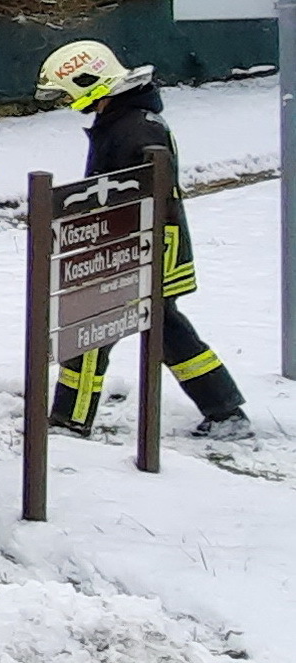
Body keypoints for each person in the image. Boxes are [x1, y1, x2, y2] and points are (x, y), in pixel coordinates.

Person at [35, 40, 250, 440]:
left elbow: (136, 194)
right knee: (163, 331)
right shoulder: (131, 119)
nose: (66, 101)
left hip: (143, 249)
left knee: (92, 329)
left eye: (68, 91)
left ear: (90, 82)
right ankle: (224, 409)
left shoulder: (134, 128)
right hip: (139, 247)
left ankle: (69, 421)